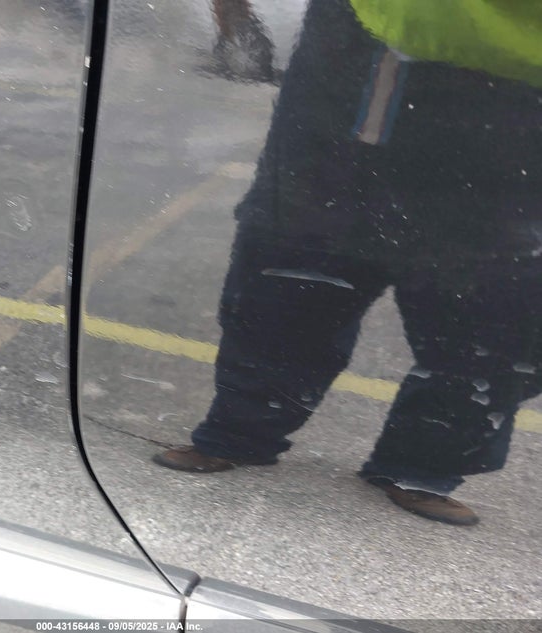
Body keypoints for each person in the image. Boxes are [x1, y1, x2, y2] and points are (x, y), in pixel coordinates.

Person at [155, 0, 542, 526]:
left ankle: (425, 466)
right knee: (296, 259)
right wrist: (235, 23)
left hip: (522, 90)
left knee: (496, 302)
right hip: (365, 47)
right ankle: (240, 430)